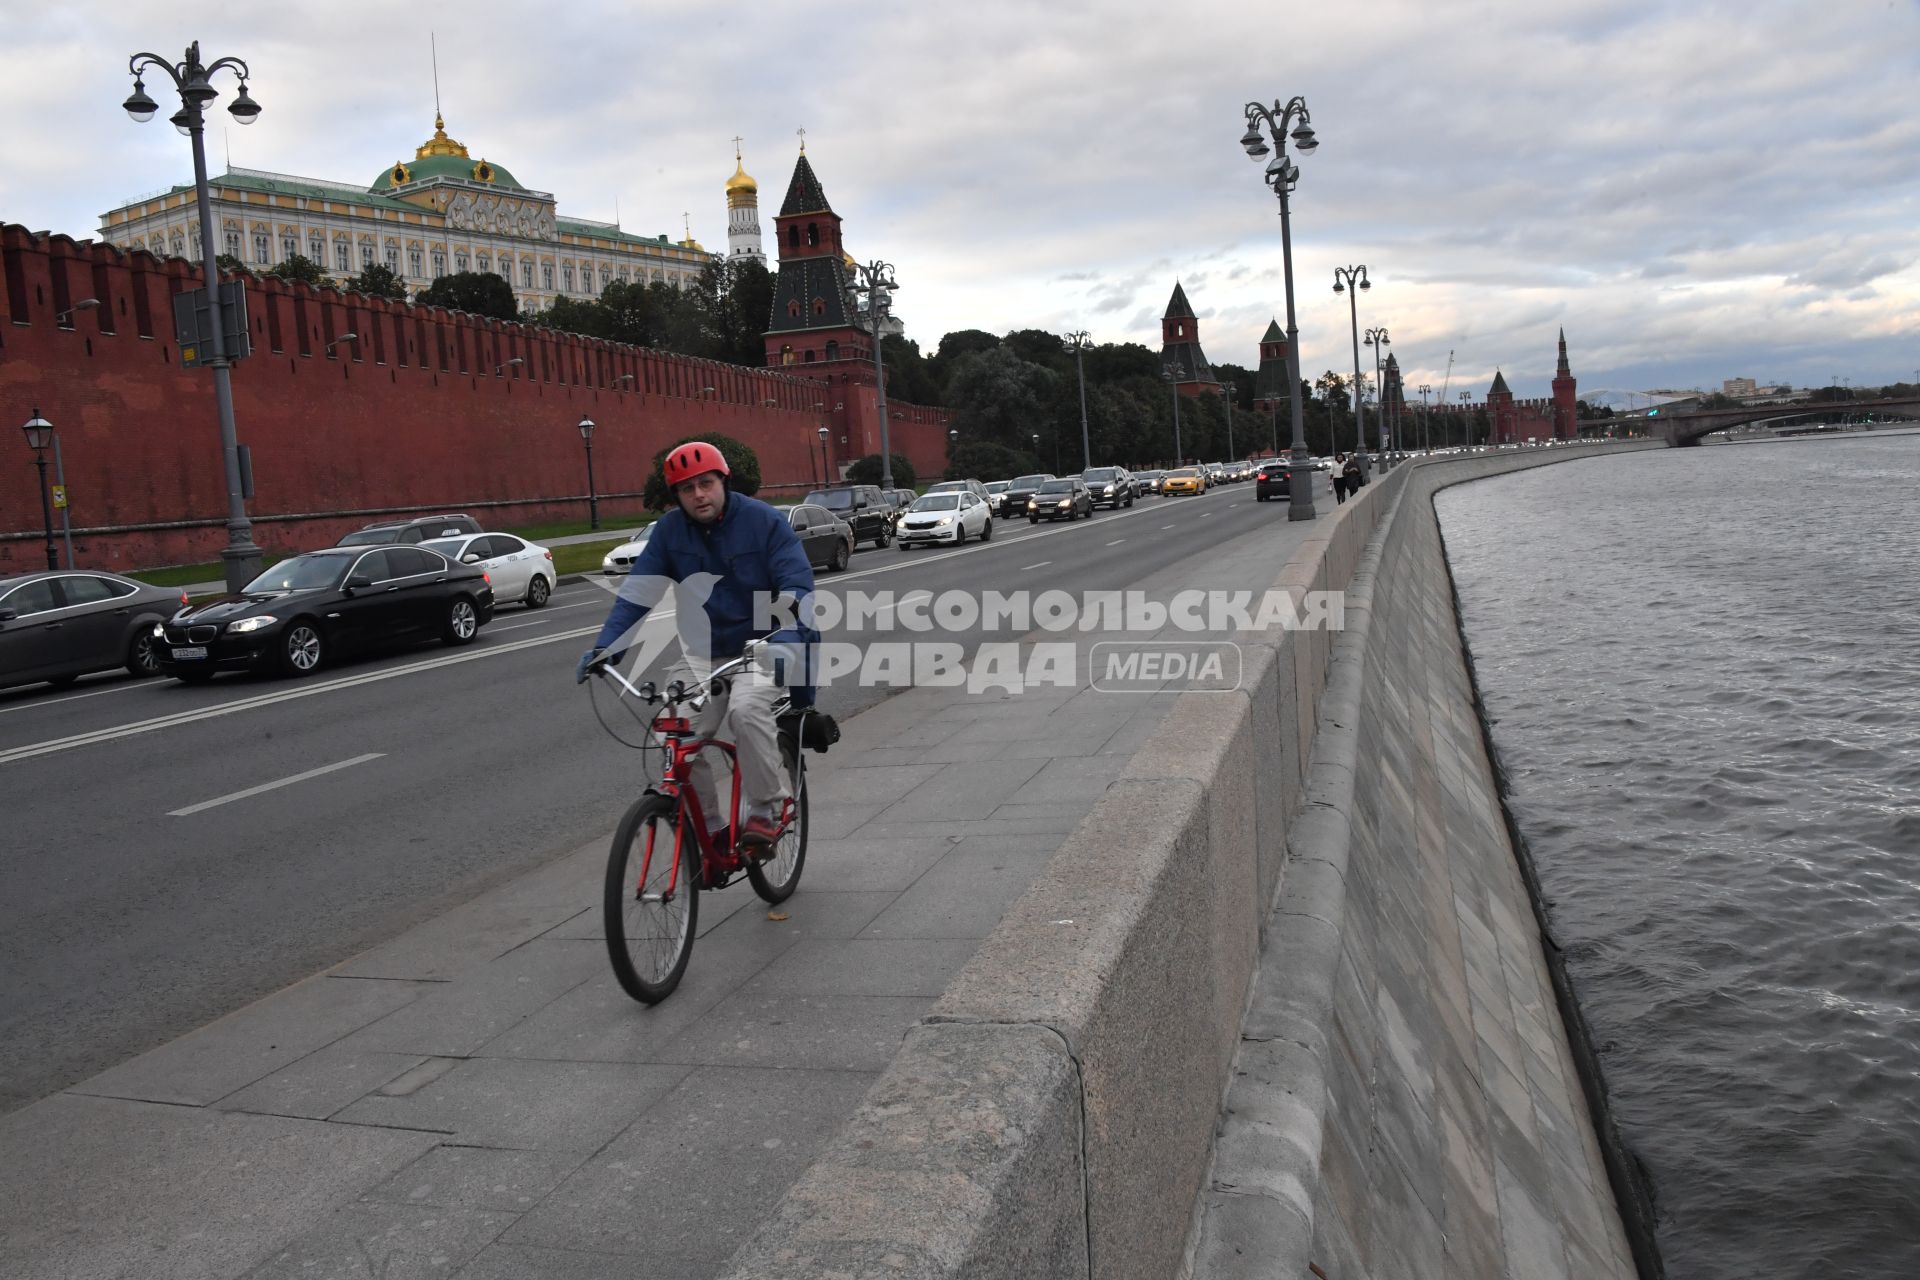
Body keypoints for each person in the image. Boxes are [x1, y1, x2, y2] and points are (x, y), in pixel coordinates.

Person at [577, 441, 816, 848]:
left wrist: (788, 637)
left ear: (723, 480)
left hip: (765, 644)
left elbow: (795, 585)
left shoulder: (763, 522)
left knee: (746, 710)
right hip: (704, 654)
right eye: (687, 489)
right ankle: (710, 826)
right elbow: (638, 594)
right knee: (673, 735)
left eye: (706, 483)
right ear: (677, 497)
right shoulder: (671, 532)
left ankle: (765, 810)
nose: (699, 495)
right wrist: (606, 649)